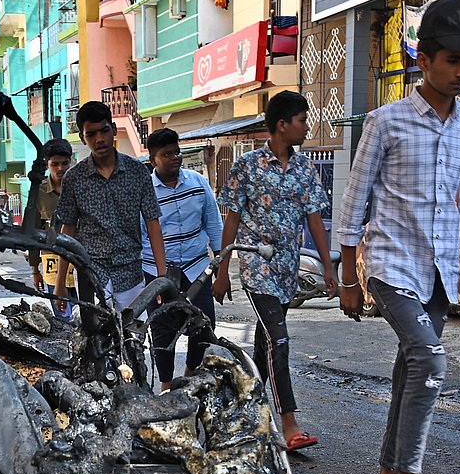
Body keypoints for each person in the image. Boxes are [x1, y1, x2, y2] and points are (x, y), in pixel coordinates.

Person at [335, 0, 460, 474]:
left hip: (440, 272)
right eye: (452, 60)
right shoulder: (385, 122)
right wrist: (348, 276)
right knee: (429, 360)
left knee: (411, 367)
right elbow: (355, 198)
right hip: (390, 265)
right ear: (424, 60)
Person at [214, 90, 335, 453]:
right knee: (279, 340)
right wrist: (222, 271)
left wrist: (329, 268)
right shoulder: (247, 166)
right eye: (302, 120)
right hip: (256, 267)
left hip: (287, 270)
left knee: (264, 346)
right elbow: (232, 219)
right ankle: (289, 424)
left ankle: (243, 415)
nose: (307, 127)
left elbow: (315, 220)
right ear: (282, 125)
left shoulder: (305, 169)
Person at [52, 101, 167, 316]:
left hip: (130, 270)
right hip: (90, 270)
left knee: (133, 331)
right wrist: (60, 284)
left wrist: (162, 277)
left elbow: (153, 223)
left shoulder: (138, 172)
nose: (99, 139)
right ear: (82, 138)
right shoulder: (74, 178)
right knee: (95, 332)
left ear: (113, 129)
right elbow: (68, 231)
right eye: (91, 134)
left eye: (104, 130)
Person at [139, 128, 224, 390]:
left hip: (196, 268)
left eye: (177, 152)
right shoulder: (144, 191)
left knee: (204, 324)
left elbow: (213, 223)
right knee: (162, 330)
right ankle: (166, 387)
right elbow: (140, 234)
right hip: (157, 272)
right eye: (167, 154)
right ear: (153, 159)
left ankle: (189, 376)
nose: (175, 157)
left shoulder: (198, 183)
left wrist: (221, 267)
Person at [28, 137, 75, 318]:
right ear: (47, 165)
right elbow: (33, 235)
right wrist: (35, 271)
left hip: (79, 264)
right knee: (63, 320)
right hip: (52, 268)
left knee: (84, 319)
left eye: (64, 163)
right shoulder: (38, 193)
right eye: (55, 164)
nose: (60, 168)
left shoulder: (79, 188)